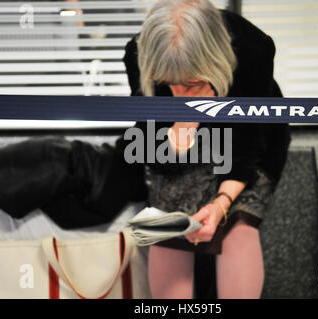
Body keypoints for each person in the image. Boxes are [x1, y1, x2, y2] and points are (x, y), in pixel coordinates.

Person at [120, 0, 290, 298]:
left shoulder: (253, 49)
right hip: (179, 140)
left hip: (252, 138)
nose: (179, 94)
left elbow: (249, 145)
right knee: (167, 224)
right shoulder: (139, 55)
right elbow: (157, 156)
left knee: (239, 228)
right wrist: (181, 126)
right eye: (168, 84)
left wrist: (222, 202)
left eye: (192, 83)